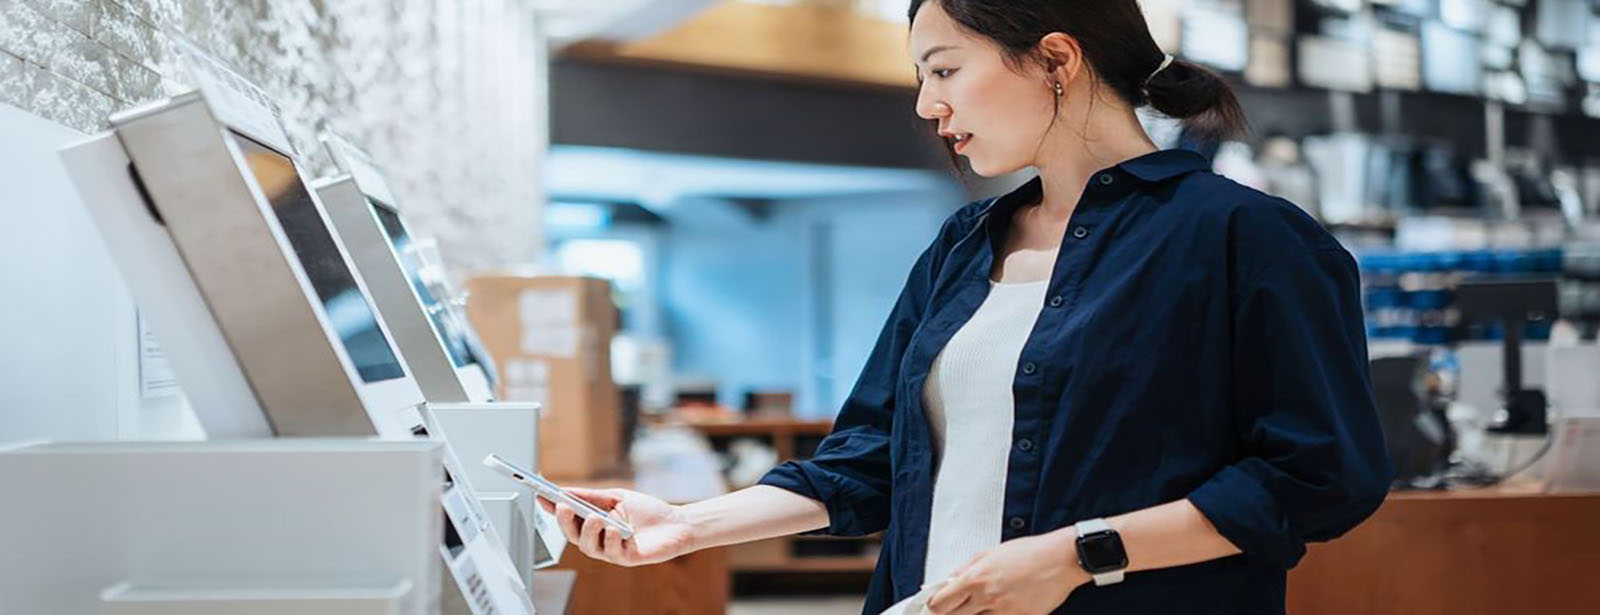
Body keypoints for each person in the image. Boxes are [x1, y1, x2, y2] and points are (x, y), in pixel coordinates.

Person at [541, 2, 1394, 614]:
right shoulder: (962, 245)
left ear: (1057, 60)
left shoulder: (1250, 239)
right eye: (921, 77)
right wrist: (686, 525)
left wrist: (1075, 555)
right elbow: (871, 458)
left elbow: (1318, 476)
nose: (926, 105)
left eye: (945, 69)